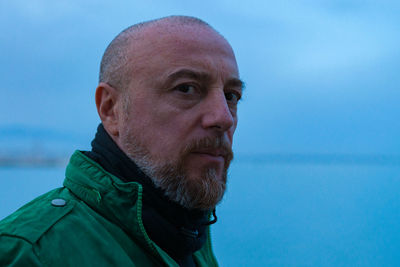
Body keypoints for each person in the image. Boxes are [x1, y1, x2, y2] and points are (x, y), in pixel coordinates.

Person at [0, 15, 243, 267]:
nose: (223, 117)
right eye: (185, 89)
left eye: (231, 95)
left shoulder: (188, 234)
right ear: (111, 109)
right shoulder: (26, 255)